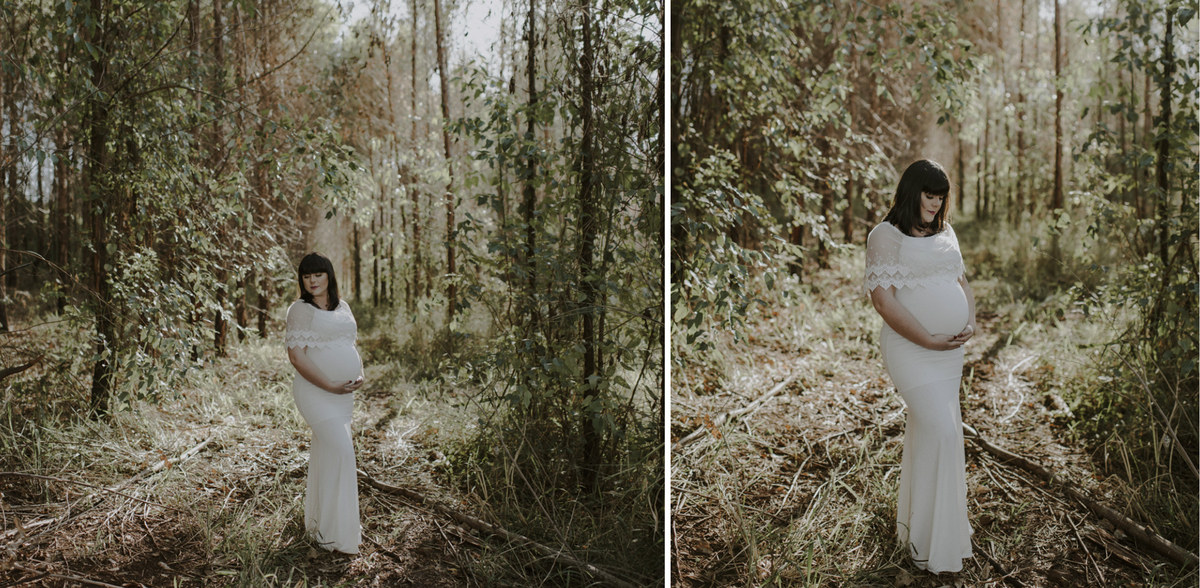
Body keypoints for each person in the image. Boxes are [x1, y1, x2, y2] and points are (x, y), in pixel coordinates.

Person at [864, 159, 977, 573]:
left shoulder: (945, 233)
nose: (935, 203)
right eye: (929, 194)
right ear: (912, 192)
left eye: (941, 196)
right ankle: (935, 545)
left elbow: (961, 282)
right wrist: (928, 338)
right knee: (945, 432)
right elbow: (883, 300)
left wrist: (970, 322)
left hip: (951, 355)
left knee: (931, 434)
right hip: (912, 351)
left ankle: (922, 537)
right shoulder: (885, 236)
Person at [286, 252, 365, 554]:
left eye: (317, 275)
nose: (312, 281)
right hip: (316, 394)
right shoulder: (300, 310)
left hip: (344, 398)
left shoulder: (342, 307)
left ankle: (321, 527)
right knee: (343, 453)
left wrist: (360, 373)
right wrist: (331, 385)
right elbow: (297, 356)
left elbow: (350, 346)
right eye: (307, 277)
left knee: (328, 455)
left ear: (329, 275)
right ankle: (338, 536)